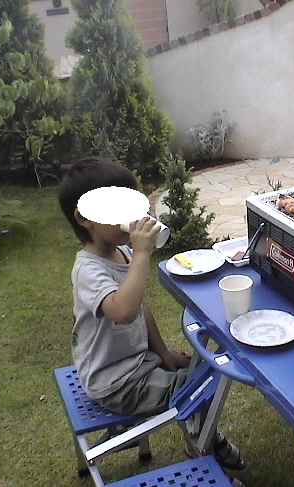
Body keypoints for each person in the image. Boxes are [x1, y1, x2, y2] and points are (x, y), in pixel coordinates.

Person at [58, 158, 245, 469]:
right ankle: (205, 448)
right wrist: (143, 254)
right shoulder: (88, 270)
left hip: (138, 363)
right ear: (84, 219)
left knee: (197, 370)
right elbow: (124, 311)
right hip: (117, 381)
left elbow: (142, 310)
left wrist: (163, 354)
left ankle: (198, 436)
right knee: (199, 389)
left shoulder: (123, 252)